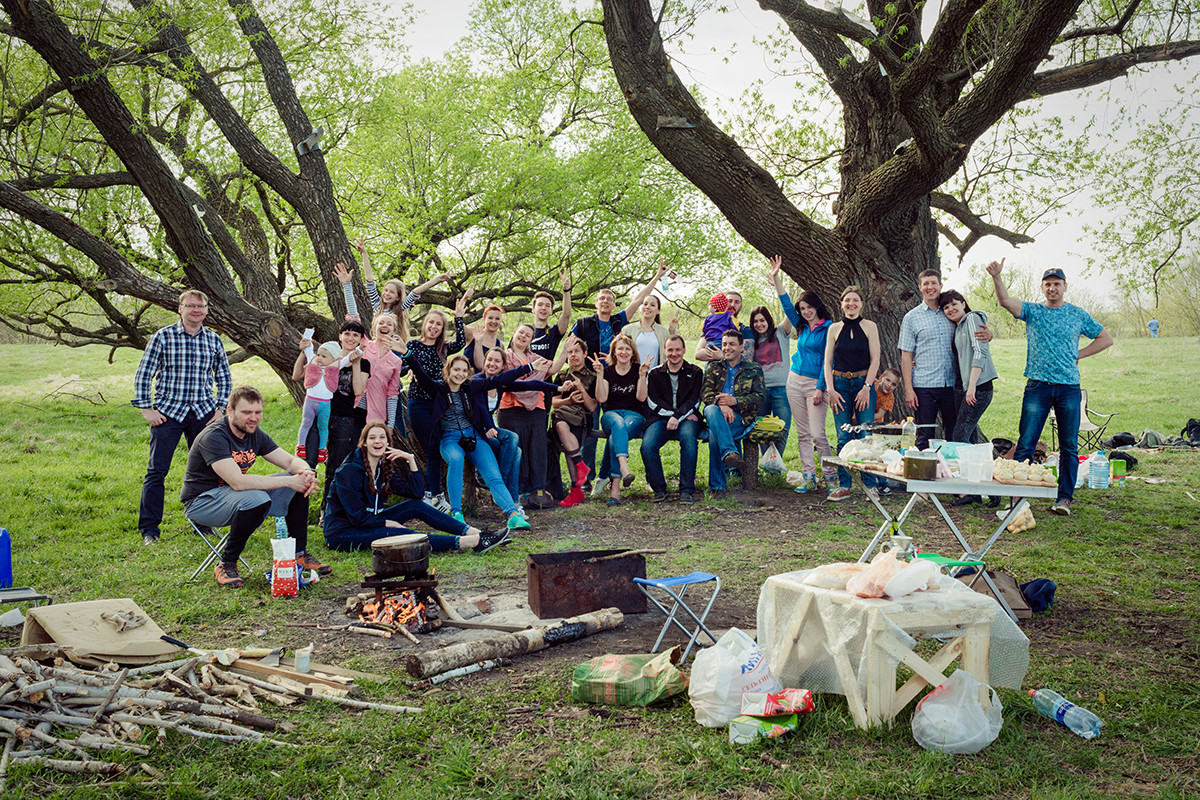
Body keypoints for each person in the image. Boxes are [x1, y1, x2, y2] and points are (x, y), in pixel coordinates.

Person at [988, 261, 1113, 515]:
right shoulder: (1033, 311)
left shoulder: (1078, 314)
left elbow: (1105, 338)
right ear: (1042, 288)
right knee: (1026, 443)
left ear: (1065, 287)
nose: (1052, 288)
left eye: (1057, 284)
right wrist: (997, 277)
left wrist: (1079, 354)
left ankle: (1064, 499)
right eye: (1048, 284)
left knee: (1069, 445)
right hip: (1037, 387)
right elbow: (1005, 302)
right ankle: (1017, 499)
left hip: (1069, 388)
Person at [180, 386, 329, 588]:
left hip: (233, 496)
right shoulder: (214, 436)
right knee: (258, 498)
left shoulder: (254, 434)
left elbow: (290, 462)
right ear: (230, 411)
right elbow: (238, 482)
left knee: (297, 485)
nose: (253, 418)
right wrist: (288, 481)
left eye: (257, 412)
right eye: (246, 413)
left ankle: (298, 554)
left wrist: (306, 472)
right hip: (202, 502)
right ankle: (226, 563)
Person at [402, 348, 558, 530]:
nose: (460, 374)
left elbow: (500, 379)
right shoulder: (437, 388)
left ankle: (513, 514)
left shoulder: (471, 387)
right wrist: (407, 354)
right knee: (456, 459)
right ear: (448, 371)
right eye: (456, 370)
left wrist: (530, 366)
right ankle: (457, 514)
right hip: (449, 438)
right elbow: (420, 373)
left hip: (472, 436)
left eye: (463, 370)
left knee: (494, 477)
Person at [133, 289, 233, 546]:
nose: (195, 310)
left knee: (205, 471)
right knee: (157, 471)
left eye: (200, 306)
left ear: (207, 309)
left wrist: (220, 409)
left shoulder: (213, 340)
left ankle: (202, 523)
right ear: (180, 309)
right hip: (168, 414)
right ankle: (150, 530)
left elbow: (224, 378)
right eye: (190, 306)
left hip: (203, 414)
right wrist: (147, 409)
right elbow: (144, 374)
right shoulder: (163, 337)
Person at [323, 422, 509, 554]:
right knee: (403, 534)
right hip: (344, 532)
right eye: (372, 438)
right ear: (364, 443)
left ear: (388, 443)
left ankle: (478, 533)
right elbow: (357, 517)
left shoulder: (382, 468)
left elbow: (416, 494)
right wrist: (387, 523)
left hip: (369, 521)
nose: (377, 441)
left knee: (415, 506)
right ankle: (471, 542)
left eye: (382, 437)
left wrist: (411, 460)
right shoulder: (348, 472)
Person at [292, 321, 369, 512]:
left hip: (344, 420)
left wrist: (356, 363)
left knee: (335, 467)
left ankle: (327, 511)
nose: (351, 338)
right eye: (347, 334)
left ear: (360, 340)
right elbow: (296, 375)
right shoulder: (325, 355)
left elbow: (359, 389)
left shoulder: (363, 362)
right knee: (307, 462)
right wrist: (304, 351)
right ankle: (298, 509)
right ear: (340, 336)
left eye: (356, 335)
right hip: (319, 416)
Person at [774, 261, 837, 494]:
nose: (806, 311)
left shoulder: (829, 328)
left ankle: (831, 479)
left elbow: (827, 361)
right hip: (794, 381)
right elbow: (786, 306)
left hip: (815, 385)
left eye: (809, 307)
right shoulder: (801, 326)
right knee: (802, 433)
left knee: (818, 434)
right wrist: (777, 278)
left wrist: (821, 387)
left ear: (817, 307)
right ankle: (809, 477)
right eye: (802, 309)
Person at [406, 292, 471, 511]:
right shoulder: (413, 345)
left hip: (439, 404)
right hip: (419, 404)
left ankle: (430, 493)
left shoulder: (443, 348)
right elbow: (404, 365)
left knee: (435, 450)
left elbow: (461, 341)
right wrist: (408, 371)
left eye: (438, 324)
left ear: (442, 329)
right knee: (432, 448)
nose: (434, 327)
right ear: (425, 324)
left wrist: (458, 318)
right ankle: (434, 494)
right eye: (431, 322)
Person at [938, 290, 1000, 507]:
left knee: (960, 438)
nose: (951, 309)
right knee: (972, 442)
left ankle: (972, 490)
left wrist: (972, 386)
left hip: (978, 387)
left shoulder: (972, 319)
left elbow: (979, 352)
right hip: (966, 388)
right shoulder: (959, 326)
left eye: (954, 304)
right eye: (946, 307)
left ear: (964, 303)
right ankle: (985, 490)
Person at [824, 285, 881, 501]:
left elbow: (876, 359)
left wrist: (867, 387)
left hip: (863, 382)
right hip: (839, 384)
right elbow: (827, 361)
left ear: (861, 304)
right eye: (847, 300)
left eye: (855, 300)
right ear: (841, 304)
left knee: (866, 435)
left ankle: (870, 486)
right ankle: (844, 485)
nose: (851, 304)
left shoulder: (870, 326)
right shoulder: (833, 329)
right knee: (843, 435)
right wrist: (830, 389)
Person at [898, 270, 958, 450]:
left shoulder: (951, 311)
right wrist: (909, 389)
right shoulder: (911, 317)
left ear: (941, 286)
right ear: (919, 288)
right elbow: (906, 355)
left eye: (934, 283)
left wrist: (988, 333)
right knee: (924, 435)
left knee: (954, 435)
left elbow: (973, 324)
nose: (930, 287)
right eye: (926, 284)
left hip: (952, 384)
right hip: (924, 385)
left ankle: (951, 474)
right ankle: (923, 474)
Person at [640, 335, 704, 503]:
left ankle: (686, 490)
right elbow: (653, 402)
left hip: (687, 418)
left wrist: (678, 416)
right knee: (647, 445)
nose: (674, 353)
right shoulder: (654, 374)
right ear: (665, 351)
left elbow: (695, 400)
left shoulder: (696, 372)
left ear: (684, 350)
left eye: (677, 349)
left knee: (689, 439)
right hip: (660, 418)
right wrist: (675, 416)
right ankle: (659, 488)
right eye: (670, 350)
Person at [701, 329, 765, 496]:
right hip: (716, 413)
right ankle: (730, 452)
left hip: (740, 418)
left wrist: (735, 401)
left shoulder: (753, 369)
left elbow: (759, 397)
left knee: (715, 434)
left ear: (741, 347)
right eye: (724, 344)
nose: (727, 348)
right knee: (711, 409)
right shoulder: (714, 367)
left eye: (731, 344)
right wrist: (721, 405)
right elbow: (705, 393)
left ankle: (717, 487)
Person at [594, 334, 651, 505]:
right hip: (611, 415)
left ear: (633, 352)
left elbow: (641, 398)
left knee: (614, 437)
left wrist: (642, 376)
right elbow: (602, 398)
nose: (624, 352)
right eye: (620, 348)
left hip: (635, 416)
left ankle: (615, 489)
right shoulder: (608, 371)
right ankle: (624, 468)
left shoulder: (638, 369)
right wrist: (599, 375)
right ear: (614, 352)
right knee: (617, 424)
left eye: (627, 349)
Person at [748, 279, 795, 456]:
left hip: (782, 389)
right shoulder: (751, 341)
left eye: (762, 320)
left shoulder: (781, 332)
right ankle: (769, 464)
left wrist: (777, 284)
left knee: (782, 428)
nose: (759, 324)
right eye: (755, 321)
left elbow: (789, 310)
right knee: (762, 430)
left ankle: (776, 462)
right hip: (760, 391)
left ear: (768, 320)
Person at [550, 337, 598, 507]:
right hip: (563, 416)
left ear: (585, 353)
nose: (573, 355)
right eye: (570, 352)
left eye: (577, 351)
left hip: (582, 419)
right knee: (561, 426)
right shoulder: (561, 375)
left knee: (569, 442)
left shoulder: (592, 377)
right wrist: (568, 401)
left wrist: (580, 389)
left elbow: (592, 407)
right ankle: (579, 469)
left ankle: (576, 489)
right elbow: (554, 402)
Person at [477, 348, 524, 508]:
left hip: (491, 429)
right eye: (489, 359)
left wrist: (557, 389)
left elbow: (530, 384)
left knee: (517, 451)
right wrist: (489, 426)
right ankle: (504, 490)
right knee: (513, 439)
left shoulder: (500, 384)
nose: (492, 363)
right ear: (484, 361)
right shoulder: (477, 381)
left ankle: (513, 500)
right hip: (477, 431)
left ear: (503, 366)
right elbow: (481, 408)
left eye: (497, 361)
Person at [294, 340, 350, 463]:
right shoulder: (313, 362)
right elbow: (308, 348)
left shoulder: (336, 366)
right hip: (310, 401)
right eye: (318, 354)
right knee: (306, 423)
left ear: (333, 358)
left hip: (325, 404)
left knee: (323, 426)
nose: (319, 358)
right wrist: (308, 335)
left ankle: (322, 449)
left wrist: (361, 350)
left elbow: (348, 359)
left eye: (324, 356)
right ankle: (301, 445)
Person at [359, 313, 404, 430]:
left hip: (376, 413)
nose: (385, 326)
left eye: (389, 324)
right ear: (374, 328)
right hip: (354, 407)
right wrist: (348, 292)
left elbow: (392, 393)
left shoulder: (396, 361)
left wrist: (390, 424)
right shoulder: (364, 345)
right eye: (381, 323)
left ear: (394, 332)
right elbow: (354, 317)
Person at [528, 270, 574, 362]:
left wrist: (566, 291)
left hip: (546, 375)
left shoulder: (554, 333)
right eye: (540, 305)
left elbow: (566, 315)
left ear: (551, 311)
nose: (544, 308)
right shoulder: (523, 333)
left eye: (547, 306)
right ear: (533, 309)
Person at [621, 293, 678, 368]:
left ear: (658, 311)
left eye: (652, 305)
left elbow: (674, 348)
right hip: (633, 376)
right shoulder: (628, 329)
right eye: (645, 304)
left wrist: (672, 330)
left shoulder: (663, 331)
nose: (647, 307)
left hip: (655, 377)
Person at [465, 304, 505, 372]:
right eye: (490, 318)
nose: (494, 321)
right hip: (466, 379)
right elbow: (457, 323)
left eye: (497, 319)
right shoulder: (471, 333)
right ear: (484, 318)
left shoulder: (500, 345)